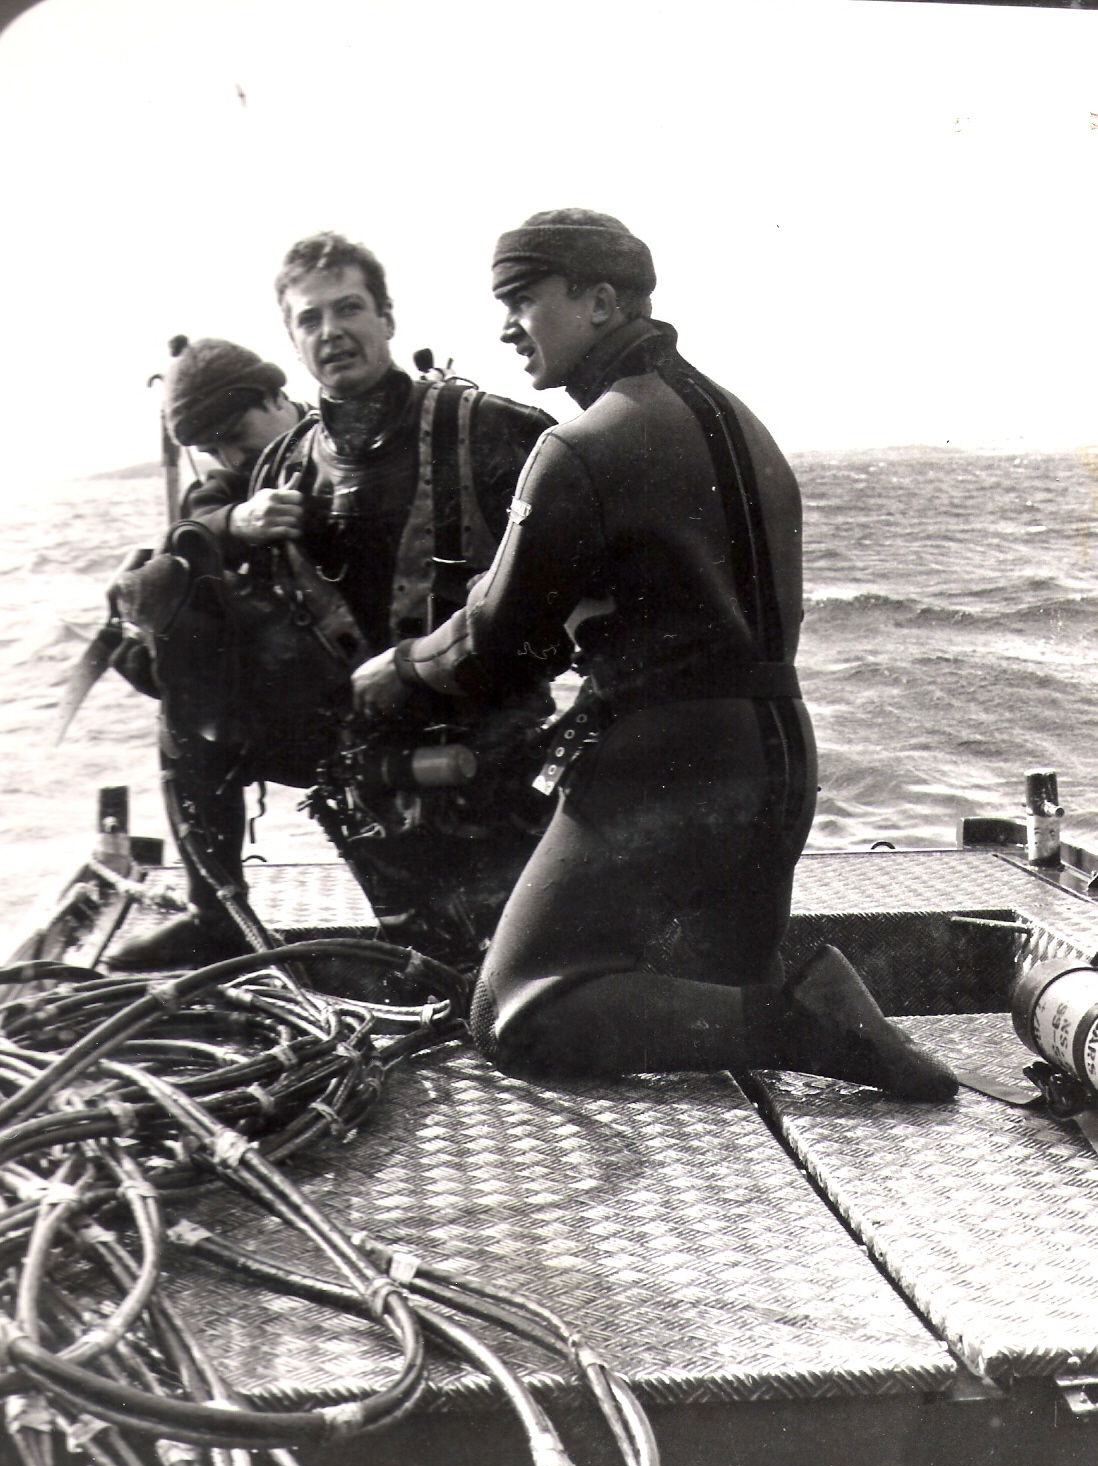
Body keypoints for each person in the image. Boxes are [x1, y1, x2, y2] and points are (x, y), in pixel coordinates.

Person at [353, 208, 958, 1100]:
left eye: (522, 298)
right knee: (698, 994)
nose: (505, 325)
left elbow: (494, 647)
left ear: (600, 302)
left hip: (669, 770)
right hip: (780, 763)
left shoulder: (581, 446)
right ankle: (797, 1006)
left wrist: (396, 671)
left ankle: (808, 1020)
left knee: (516, 1014)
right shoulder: (745, 425)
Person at [108, 233, 554, 971]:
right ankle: (215, 911)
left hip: (482, 752)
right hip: (358, 761)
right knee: (184, 662)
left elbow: (585, 601)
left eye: (349, 308)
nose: (331, 331)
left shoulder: (494, 434)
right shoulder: (281, 466)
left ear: (386, 316)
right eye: (309, 319)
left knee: (496, 987)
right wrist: (209, 549)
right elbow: (193, 535)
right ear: (292, 339)